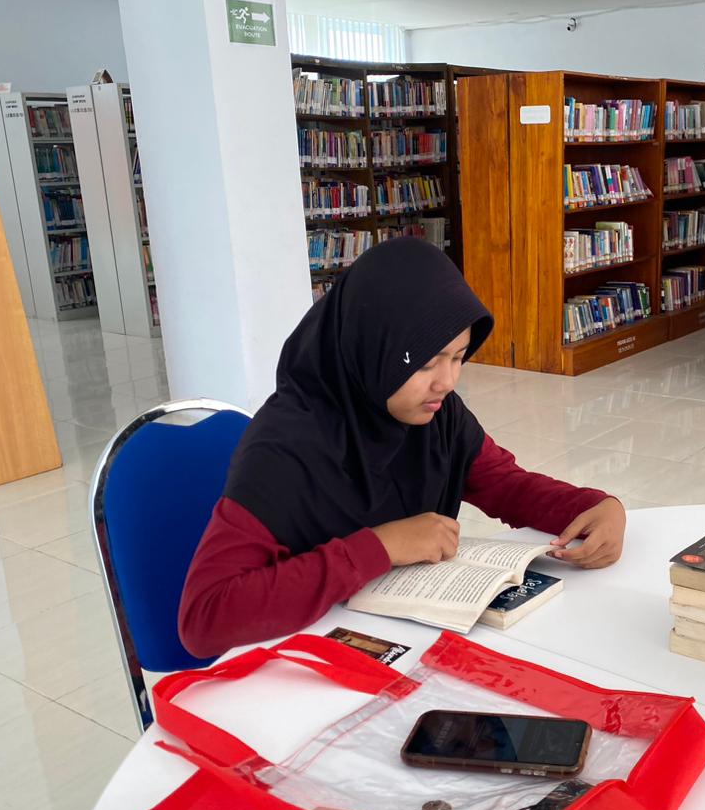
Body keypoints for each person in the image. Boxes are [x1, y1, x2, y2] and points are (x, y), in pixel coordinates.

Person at [178, 238, 626, 657]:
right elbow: (204, 618)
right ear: (371, 350)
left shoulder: (434, 413)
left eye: (458, 356)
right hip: (305, 666)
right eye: (428, 362)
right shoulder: (284, 450)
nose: (447, 382)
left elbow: (504, 484)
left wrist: (593, 506)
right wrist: (379, 547)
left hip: (410, 650)